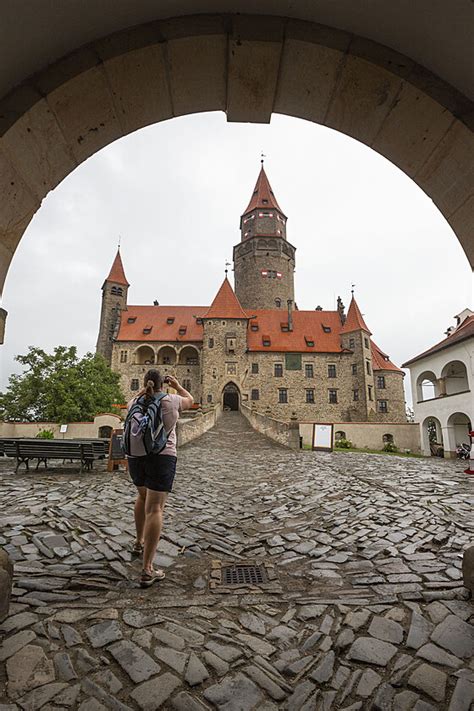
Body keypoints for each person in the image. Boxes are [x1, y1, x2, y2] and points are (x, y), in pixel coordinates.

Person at [127, 369, 193, 587]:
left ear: (146, 384)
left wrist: (143, 389)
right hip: (162, 456)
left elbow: (134, 402)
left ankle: (138, 542)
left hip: (136, 457)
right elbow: (190, 400)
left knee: (142, 498)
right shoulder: (170, 401)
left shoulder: (132, 404)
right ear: (161, 385)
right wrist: (176, 385)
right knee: (155, 509)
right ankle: (147, 569)